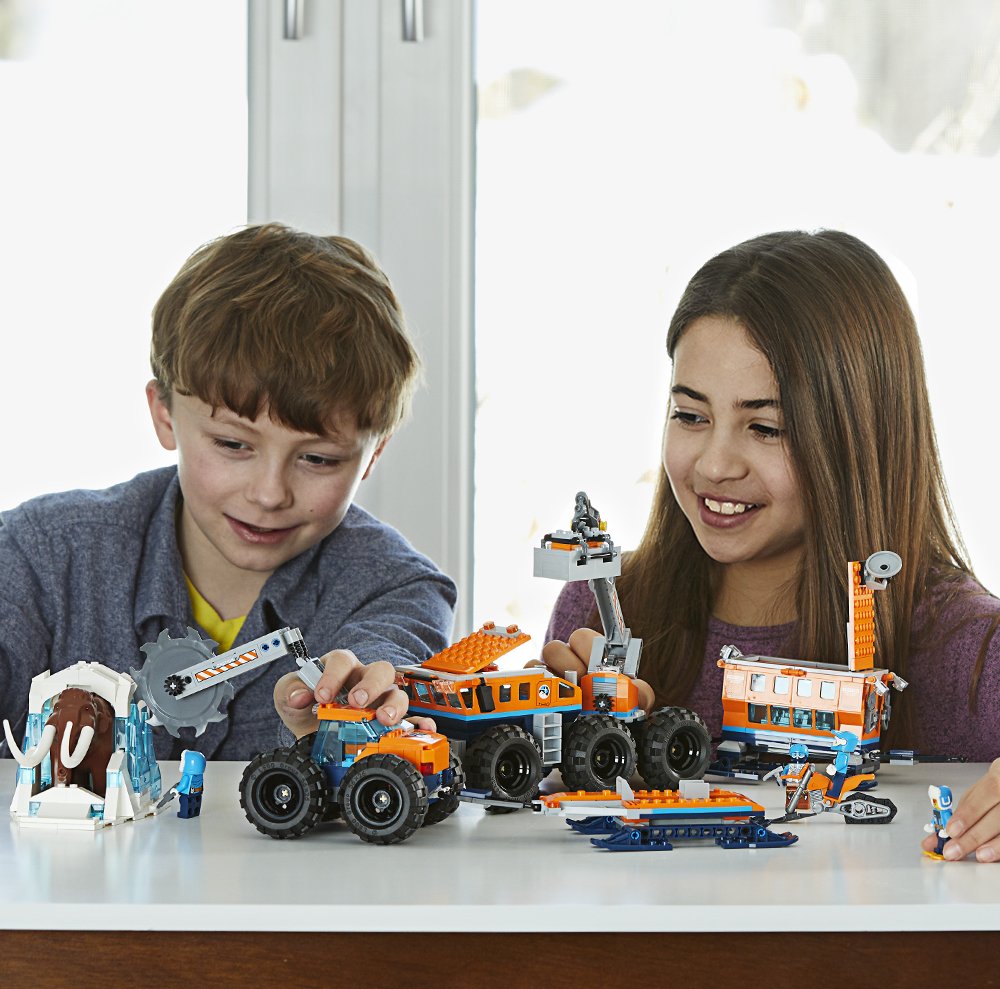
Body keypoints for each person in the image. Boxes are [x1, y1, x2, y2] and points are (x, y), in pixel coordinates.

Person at [539, 229, 1000, 861]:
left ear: (860, 437)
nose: (715, 465)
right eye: (691, 416)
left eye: (765, 427)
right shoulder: (599, 609)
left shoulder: (969, 652)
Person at [0, 223, 456, 762]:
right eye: (233, 444)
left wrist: (363, 701)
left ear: (372, 455)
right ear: (164, 415)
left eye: (317, 459)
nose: (269, 494)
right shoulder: (39, 555)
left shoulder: (398, 590)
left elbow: (388, 657)